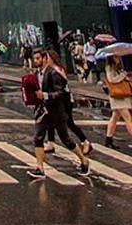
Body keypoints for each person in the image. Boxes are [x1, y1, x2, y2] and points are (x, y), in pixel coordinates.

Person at [27, 48, 89, 179]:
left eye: (38, 58)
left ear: (44, 58)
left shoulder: (54, 73)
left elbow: (61, 93)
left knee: (65, 139)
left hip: (56, 111)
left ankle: (83, 159)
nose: (36, 61)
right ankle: (40, 168)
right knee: (38, 138)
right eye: (34, 59)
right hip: (42, 111)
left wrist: (45, 95)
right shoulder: (36, 74)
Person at [43, 50, 91, 156]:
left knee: (69, 123)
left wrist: (47, 96)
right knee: (49, 120)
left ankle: (85, 141)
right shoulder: (51, 69)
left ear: (51, 58)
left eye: (46, 57)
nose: (45, 59)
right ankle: (50, 143)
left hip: (65, 102)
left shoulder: (57, 70)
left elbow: (62, 90)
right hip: (58, 101)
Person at [104, 55, 132, 147]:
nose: (118, 59)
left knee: (115, 117)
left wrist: (125, 77)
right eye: (116, 57)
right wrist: (123, 75)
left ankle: (108, 139)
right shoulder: (109, 67)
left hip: (121, 96)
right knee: (128, 119)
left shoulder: (118, 68)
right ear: (111, 58)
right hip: (117, 97)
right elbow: (112, 79)